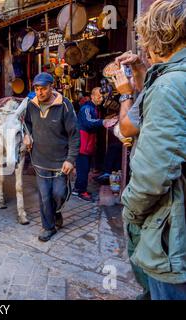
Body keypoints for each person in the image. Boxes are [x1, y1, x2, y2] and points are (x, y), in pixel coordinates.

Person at [119, 0, 186, 300]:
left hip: (171, 239)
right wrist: (146, 73)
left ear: (156, 39)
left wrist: (130, 210)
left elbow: (153, 173)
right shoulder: (172, 79)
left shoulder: (169, 86)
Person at [112, 51, 152, 300]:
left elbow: (125, 128)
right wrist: (138, 68)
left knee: (142, 247)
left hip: (149, 190)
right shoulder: (163, 81)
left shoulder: (165, 85)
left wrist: (125, 94)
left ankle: (149, 291)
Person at [24, 72, 80, 242]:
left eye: (43, 89)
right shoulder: (31, 104)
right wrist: (27, 135)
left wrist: (70, 159)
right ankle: (48, 227)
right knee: (44, 196)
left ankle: (56, 212)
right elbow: (27, 124)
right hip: (40, 159)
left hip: (60, 161)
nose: (39, 93)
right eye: (36, 89)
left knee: (58, 193)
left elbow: (74, 135)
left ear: (51, 87)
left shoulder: (65, 105)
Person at [73, 87, 117, 201]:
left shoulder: (94, 108)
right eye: (98, 96)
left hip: (88, 143)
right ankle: (80, 192)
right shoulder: (86, 108)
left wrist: (108, 118)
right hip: (82, 143)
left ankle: (77, 188)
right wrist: (103, 121)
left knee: (85, 168)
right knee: (83, 168)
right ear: (92, 96)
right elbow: (88, 122)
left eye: (102, 96)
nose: (101, 98)